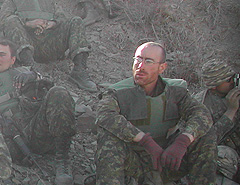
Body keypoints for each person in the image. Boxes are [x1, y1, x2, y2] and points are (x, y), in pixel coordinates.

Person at [95, 41, 216, 184]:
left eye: (148, 61)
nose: (140, 66)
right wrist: (145, 141)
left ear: (162, 67)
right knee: (108, 138)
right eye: (138, 59)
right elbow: (105, 116)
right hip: (135, 163)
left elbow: (201, 114)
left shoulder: (176, 91)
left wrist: (182, 141)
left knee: (205, 134)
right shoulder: (117, 92)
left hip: (168, 160)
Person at [0, 38, 76, 185]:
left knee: (58, 92)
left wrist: (34, 77)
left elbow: (49, 86)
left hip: (36, 130)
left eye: (2, 54)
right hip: (9, 143)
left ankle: (63, 161)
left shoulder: (25, 73)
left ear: (13, 59)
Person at [0, 0, 97, 92]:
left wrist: (52, 23)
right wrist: (28, 23)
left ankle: (79, 71)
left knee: (76, 20)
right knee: (11, 20)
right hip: (28, 45)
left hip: (51, 44)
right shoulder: (12, 1)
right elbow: (3, 19)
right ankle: (31, 70)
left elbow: (62, 18)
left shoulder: (50, 2)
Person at [193, 59, 240, 184]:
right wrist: (231, 111)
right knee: (220, 155)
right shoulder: (200, 105)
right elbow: (205, 141)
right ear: (214, 85)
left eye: (234, 77)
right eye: (228, 80)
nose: (233, 83)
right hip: (226, 155)